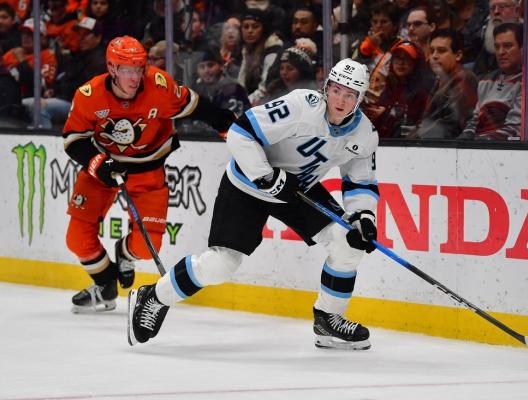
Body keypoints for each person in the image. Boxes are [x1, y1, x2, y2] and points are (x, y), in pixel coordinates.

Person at [127, 58, 380, 351]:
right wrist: (265, 176)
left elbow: (361, 182)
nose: (340, 100)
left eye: (350, 95)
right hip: (247, 184)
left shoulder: (365, 134)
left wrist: (363, 215)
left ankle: (328, 319)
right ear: (327, 88)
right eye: (336, 90)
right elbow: (241, 132)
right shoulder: (301, 106)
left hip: (297, 190)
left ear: (360, 99)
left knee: (349, 243)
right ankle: (154, 296)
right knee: (222, 265)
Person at [63, 36, 235, 313]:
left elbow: (194, 106)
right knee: (76, 238)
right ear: (112, 68)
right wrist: (99, 164)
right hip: (104, 170)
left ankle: (124, 254)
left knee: (145, 247)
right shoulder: (89, 94)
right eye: (127, 70)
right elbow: (73, 139)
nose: (135, 77)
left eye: (139, 68)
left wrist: (227, 125)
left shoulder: (159, 85)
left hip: (148, 171)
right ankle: (105, 284)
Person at [459, 23, 524, 140]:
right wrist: (464, 138)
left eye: (508, 46)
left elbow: (514, 129)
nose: (501, 52)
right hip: (480, 144)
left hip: (505, 147)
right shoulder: (485, 81)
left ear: (523, 49)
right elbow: (475, 120)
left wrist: (481, 142)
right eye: (497, 47)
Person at [414, 29, 478, 139]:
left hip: (448, 146)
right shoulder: (441, 79)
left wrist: (416, 138)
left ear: (458, 55)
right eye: (432, 51)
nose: (434, 56)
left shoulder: (464, 78)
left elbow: (453, 124)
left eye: (441, 51)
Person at [362, 40, 434, 138]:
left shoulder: (423, 93)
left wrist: (385, 115)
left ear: (416, 62)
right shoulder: (389, 88)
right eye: (397, 57)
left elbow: (417, 127)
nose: (401, 62)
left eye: (406, 58)